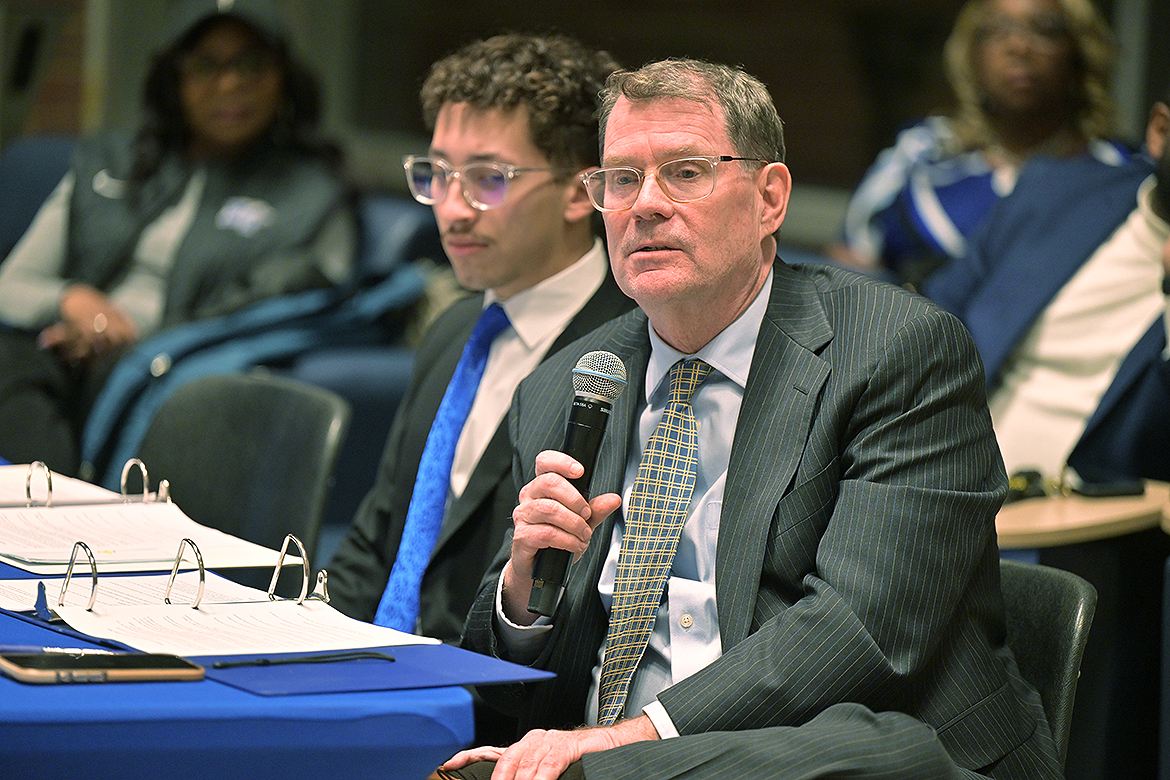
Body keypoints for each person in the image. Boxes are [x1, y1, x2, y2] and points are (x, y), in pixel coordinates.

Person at [444, 58, 1060, 779]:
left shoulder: (897, 353)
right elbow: (503, 685)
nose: (645, 204)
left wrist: (625, 743)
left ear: (770, 198)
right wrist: (525, 593)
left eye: (685, 172)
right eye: (621, 178)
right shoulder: (568, 385)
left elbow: (860, 632)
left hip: (849, 749)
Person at [323, 34, 632, 741]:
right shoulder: (455, 327)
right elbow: (380, 537)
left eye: (488, 179)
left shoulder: (624, 356)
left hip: (490, 718)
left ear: (581, 191)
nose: (451, 210)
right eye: (435, 173)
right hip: (371, 691)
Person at [922, 88, 1170, 779]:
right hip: (938, 478)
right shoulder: (1061, 194)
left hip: (1092, 532)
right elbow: (932, 314)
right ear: (1158, 132)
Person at [0, 0, 354, 476]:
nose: (230, 84)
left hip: (171, 372)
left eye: (250, 63)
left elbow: (279, 312)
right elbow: (11, 286)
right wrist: (76, 303)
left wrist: (126, 340)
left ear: (282, 75)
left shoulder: (314, 195)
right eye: (206, 65)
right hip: (60, 355)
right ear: (175, 78)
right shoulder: (110, 160)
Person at [825, 0, 1126, 289]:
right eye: (996, 30)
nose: (1018, 47)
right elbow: (847, 263)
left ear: (1079, 53)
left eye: (1044, 30)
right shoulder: (924, 153)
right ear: (971, 55)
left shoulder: (1117, 174)